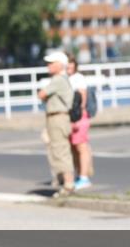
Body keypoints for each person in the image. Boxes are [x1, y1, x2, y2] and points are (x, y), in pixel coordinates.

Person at [38, 50, 75, 196]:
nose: (48, 66)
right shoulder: (61, 79)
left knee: (60, 150)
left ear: (60, 65)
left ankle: (68, 184)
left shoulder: (58, 79)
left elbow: (42, 94)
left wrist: (43, 96)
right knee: (57, 149)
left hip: (58, 118)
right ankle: (64, 181)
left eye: (51, 63)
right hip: (56, 117)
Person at [67, 57, 94, 190]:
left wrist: (78, 117)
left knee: (81, 147)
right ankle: (80, 174)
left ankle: (84, 177)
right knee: (74, 147)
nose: (68, 66)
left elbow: (82, 99)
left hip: (78, 116)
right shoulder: (66, 78)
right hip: (71, 117)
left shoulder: (78, 78)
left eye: (71, 63)